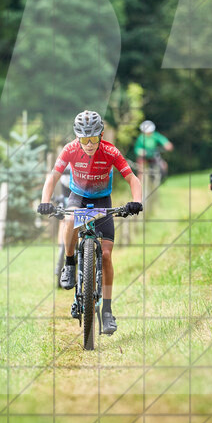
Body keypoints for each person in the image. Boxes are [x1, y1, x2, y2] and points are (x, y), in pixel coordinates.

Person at [36, 110, 143, 335]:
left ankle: (107, 311)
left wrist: (136, 201)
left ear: (101, 135)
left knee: (105, 255)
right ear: (77, 137)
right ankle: (69, 263)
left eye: (93, 138)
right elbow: (52, 177)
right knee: (70, 218)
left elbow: (132, 178)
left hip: (103, 200)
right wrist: (45, 201)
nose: (89, 144)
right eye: (84, 139)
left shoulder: (110, 151)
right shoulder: (70, 150)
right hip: (79, 198)